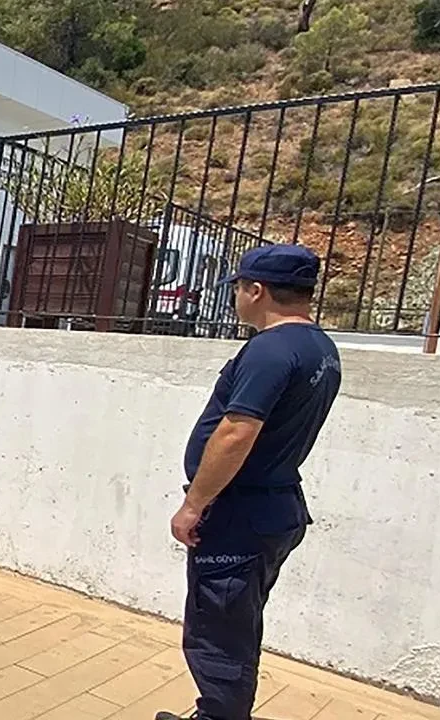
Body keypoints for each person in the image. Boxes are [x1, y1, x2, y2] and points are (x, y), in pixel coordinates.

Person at [158, 244, 341, 720]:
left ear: (256, 290)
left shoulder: (270, 350)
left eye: (238, 287)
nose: (236, 297)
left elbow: (237, 432)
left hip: (240, 513)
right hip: (273, 508)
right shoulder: (320, 348)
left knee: (218, 631)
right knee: (236, 624)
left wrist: (194, 504)